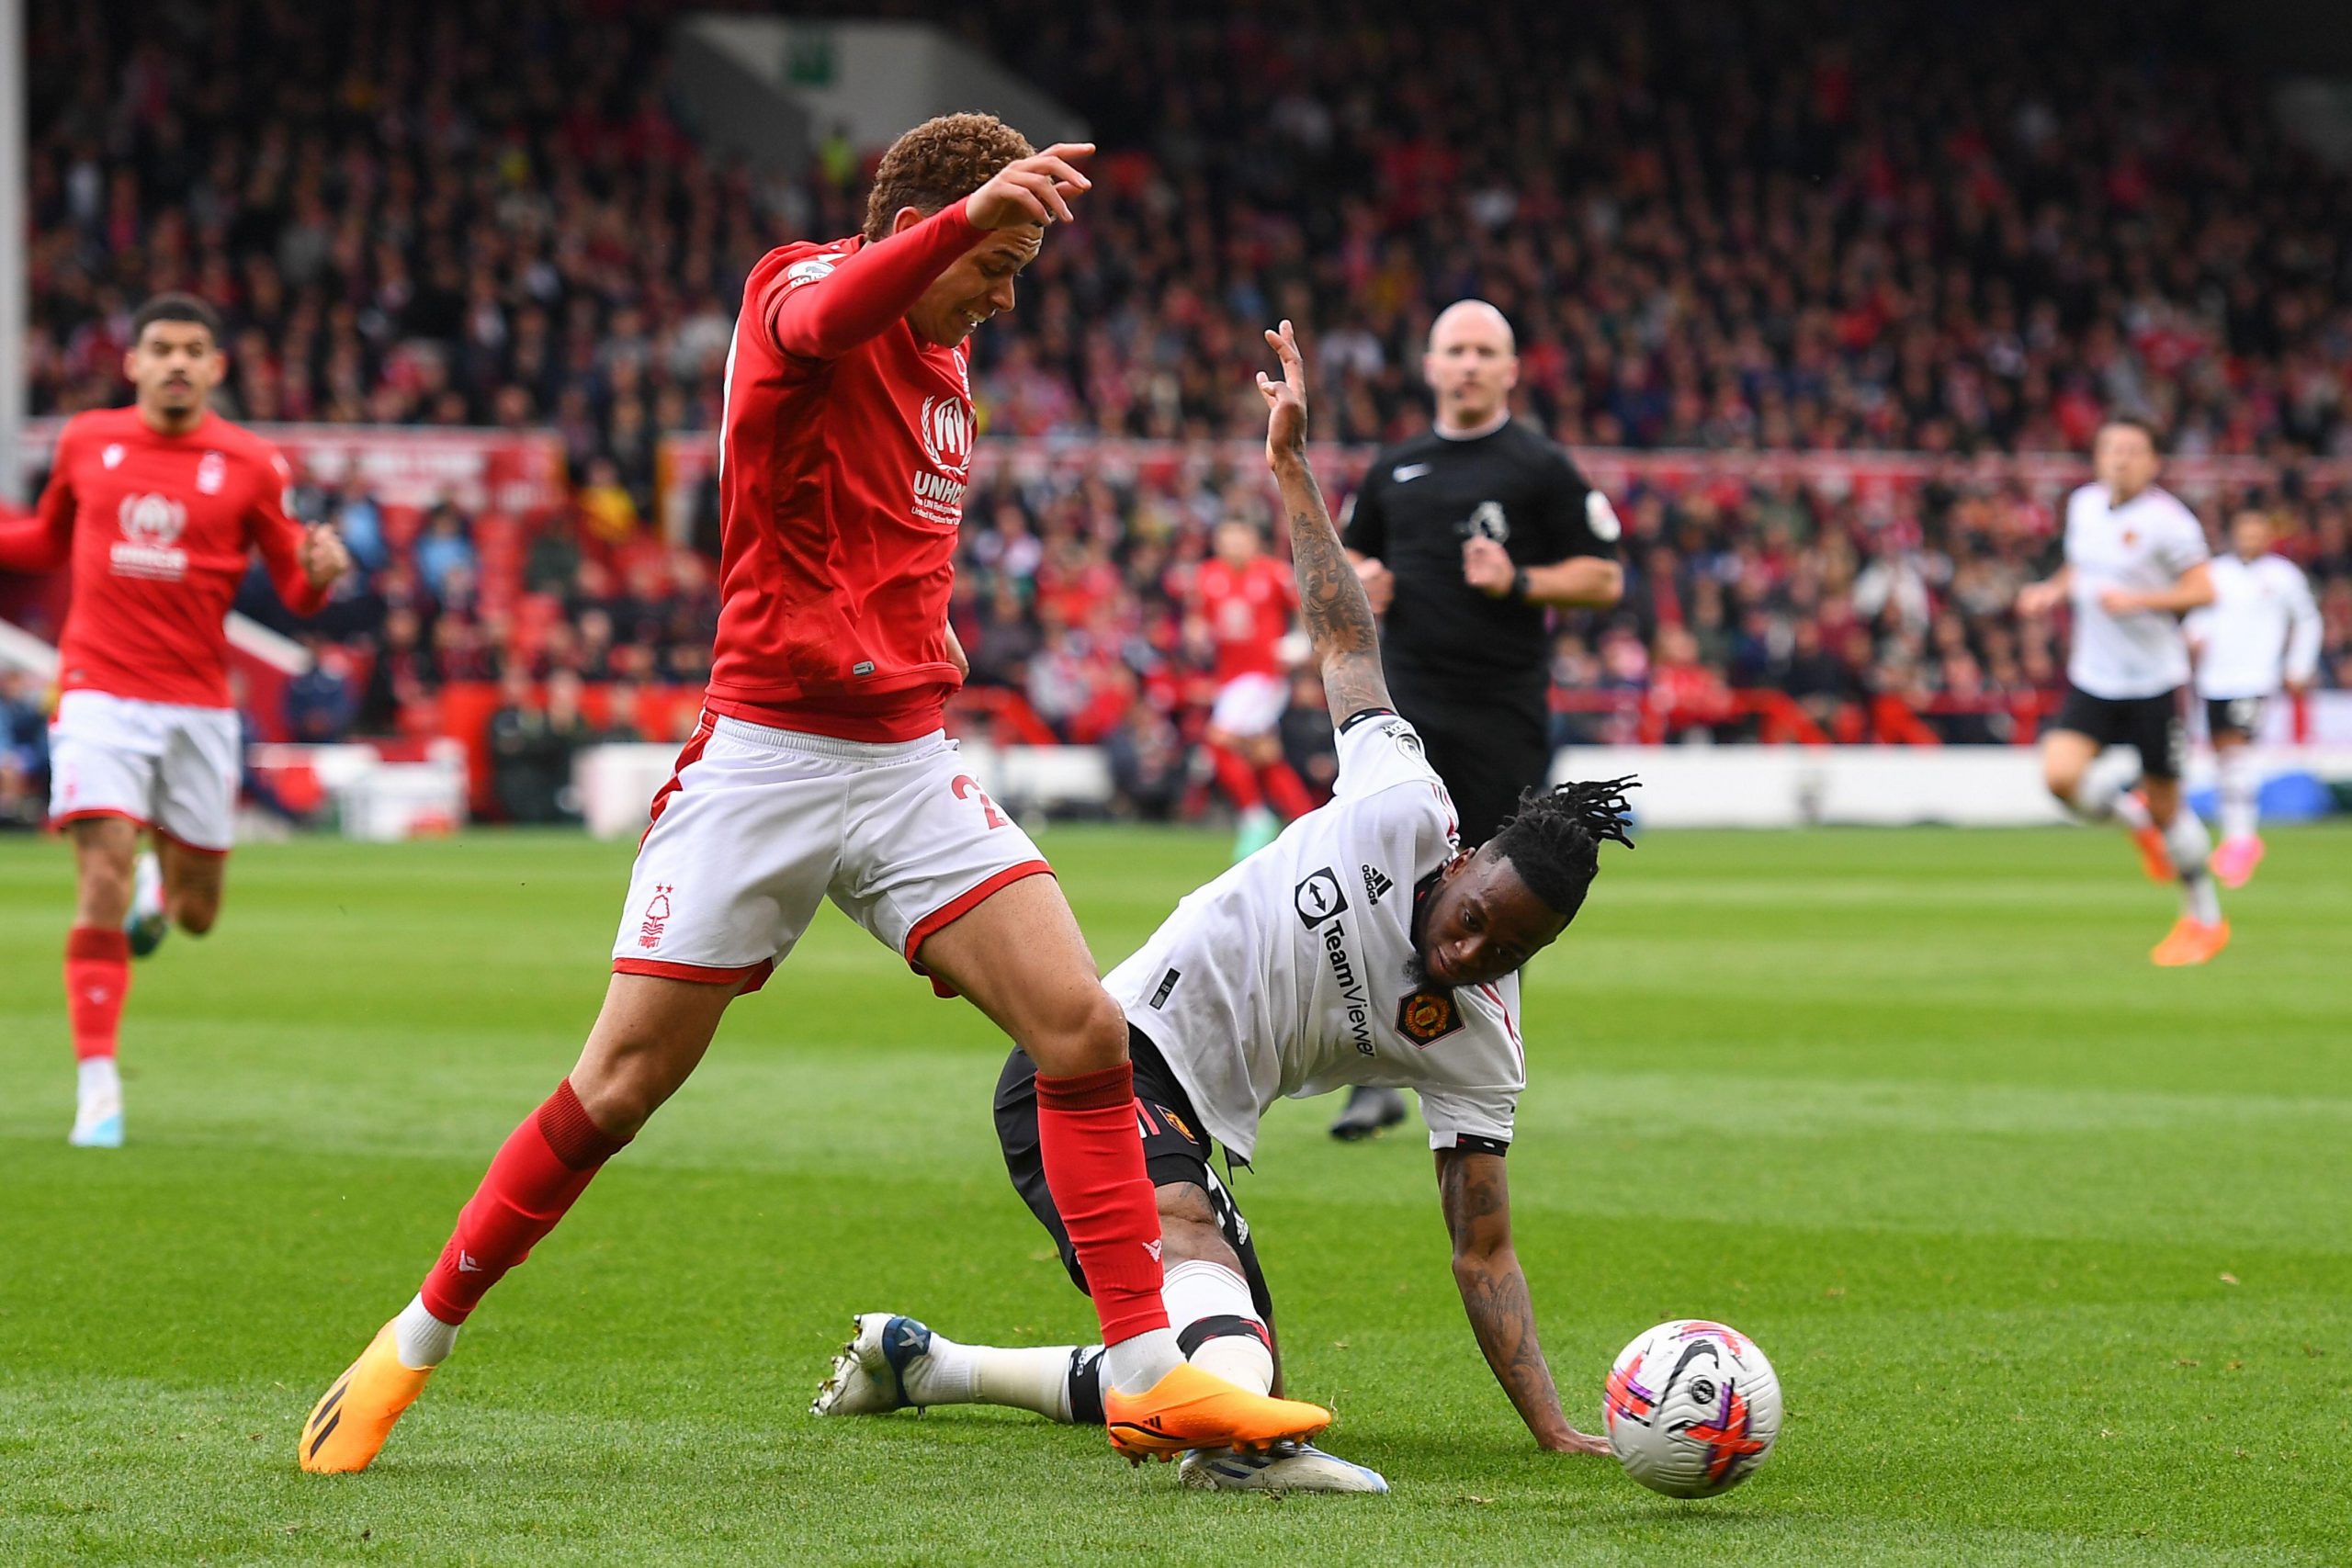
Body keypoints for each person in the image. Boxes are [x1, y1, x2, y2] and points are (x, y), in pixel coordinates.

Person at [299, 115, 1329, 1475]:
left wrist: (924, 628)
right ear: (919, 230)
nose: (1003, 295)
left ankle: (1148, 1378)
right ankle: (409, 1344)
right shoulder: (795, 286)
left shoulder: (950, 360)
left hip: (902, 761)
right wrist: (963, 225)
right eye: (995, 262)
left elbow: (882, 526)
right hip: (766, 760)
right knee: (620, 1083)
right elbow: (832, 314)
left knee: (1083, 1028)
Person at [813, 323, 1635, 1494]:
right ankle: (1236, 1458)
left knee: (1225, 1361)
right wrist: (1291, 467)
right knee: (1205, 1294)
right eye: (1474, 915)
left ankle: (929, 1366)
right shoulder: (1402, 803)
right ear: (1464, 857)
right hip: (1094, 1060)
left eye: (1507, 950)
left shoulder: (1481, 1043)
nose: (1470, 951)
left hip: (1189, 1123)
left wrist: (1551, 1425)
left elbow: (1482, 1248)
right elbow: (1344, 638)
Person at [0, 293, 351, 1148]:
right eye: (161, 347)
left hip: (197, 706)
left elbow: (294, 586)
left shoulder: (251, 463)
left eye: (195, 349)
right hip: (97, 691)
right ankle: (98, 1089)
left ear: (217, 366)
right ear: (133, 361)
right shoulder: (87, 440)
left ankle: (161, 895)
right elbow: (45, 540)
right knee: (102, 870)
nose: (178, 362)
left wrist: (319, 573)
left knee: (197, 914)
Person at [1329, 299, 1624, 1140]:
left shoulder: (1542, 468)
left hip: (1502, 713)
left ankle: (1486, 1073)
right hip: (1405, 710)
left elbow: (1605, 577)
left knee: (1504, 894)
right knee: (1381, 881)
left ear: (1510, 370)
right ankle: (1372, 1073)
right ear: (1429, 366)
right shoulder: (1395, 468)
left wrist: (1520, 580)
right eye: (1453, 350)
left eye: (1483, 351)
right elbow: (1343, 555)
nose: (1466, 364)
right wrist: (1362, 579)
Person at [2015, 418, 2225, 965]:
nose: (2120, 459)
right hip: (2095, 678)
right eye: (2111, 448)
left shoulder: (2170, 523)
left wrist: (2140, 601)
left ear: (2154, 462)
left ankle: (2204, 918)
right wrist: (2051, 591)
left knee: (2169, 806)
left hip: (2155, 682)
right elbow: (2080, 566)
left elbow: (2204, 590)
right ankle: (2137, 824)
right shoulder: (2084, 505)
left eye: (2132, 450)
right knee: (2059, 777)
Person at [2185, 510, 2322, 886]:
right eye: (2245, 532)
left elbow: (2308, 620)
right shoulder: (2216, 572)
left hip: (2255, 677)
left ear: (2267, 536)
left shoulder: (2283, 576)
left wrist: (2298, 666)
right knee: (2223, 760)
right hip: (2215, 678)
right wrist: (2193, 638)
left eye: (2257, 532)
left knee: (2236, 752)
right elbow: (2199, 617)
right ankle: (2235, 836)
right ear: (2234, 535)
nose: (2250, 538)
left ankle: (2242, 841)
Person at [1192, 517, 1310, 858]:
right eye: (1226, 540)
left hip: (1263, 676)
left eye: (1239, 539)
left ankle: (1254, 817)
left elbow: (1304, 608)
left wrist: (1299, 642)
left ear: (1253, 542)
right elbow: (1199, 617)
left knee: (1218, 740)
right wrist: (1196, 632)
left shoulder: (1273, 573)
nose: (1233, 547)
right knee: (1263, 753)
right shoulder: (1208, 575)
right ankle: (1308, 821)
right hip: (1229, 678)